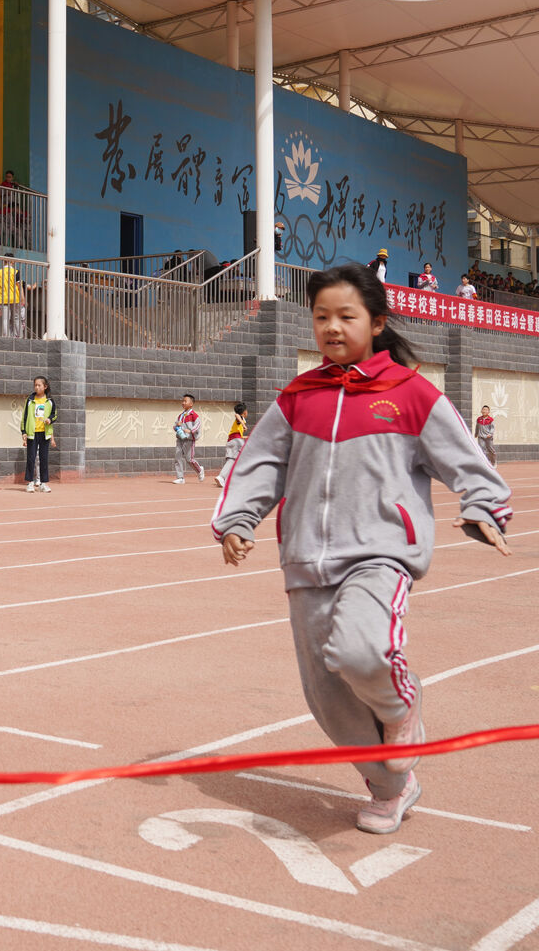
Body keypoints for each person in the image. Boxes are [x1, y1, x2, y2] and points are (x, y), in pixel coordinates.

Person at [213, 261, 513, 834]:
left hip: (380, 553)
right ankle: (391, 787)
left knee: (361, 651)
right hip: (305, 561)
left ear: (375, 322)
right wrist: (239, 520)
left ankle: (403, 708)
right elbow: (259, 465)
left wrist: (483, 509)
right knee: (329, 698)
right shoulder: (299, 397)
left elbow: (469, 464)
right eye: (321, 316)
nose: (331, 327)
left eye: (346, 316)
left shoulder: (410, 393)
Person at [21, 375, 55, 492]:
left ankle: (43, 484)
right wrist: (23, 431)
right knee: (31, 458)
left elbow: (54, 415)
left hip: (44, 433)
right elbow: (24, 417)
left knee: (44, 458)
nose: (36, 387)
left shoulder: (49, 401)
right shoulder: (30, 400)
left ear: (45, 387)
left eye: (39, 385)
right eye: (35, 385)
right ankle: (30, 482)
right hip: (32, 433)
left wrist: (49, 420)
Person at [210, 400, 249, 487]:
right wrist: (243, 424)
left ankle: (227, 478)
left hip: (232, 441)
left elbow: (239, 435)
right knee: (234, 460)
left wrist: (248, 437)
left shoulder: (238, 424)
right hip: (236, 441)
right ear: (244, 412)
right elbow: (237, 415)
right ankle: (222, 477)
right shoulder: (241, 419)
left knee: (233, 460)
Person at [172, 392, 202, 484]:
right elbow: (174, 427)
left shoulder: (194, 415)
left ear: (191, 404)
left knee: (189, 459)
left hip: (189, 440)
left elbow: (198, 425)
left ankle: (199, 470)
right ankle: (180, 478)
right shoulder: (180, 416)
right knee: (177, 457)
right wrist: (177, 425)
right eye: (182, 401)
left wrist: (191, 431)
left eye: (185, 401)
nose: (183, 403)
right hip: (180, 439)